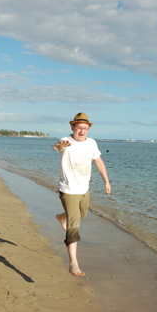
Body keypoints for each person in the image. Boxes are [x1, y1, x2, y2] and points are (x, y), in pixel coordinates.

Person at [53, 112, 111, 276]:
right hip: (68, 190)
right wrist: (60, 146)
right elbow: (58, 146)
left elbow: (98, 161)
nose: (82, 131)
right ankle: (73, 263)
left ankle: (61, 217)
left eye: (85, 128)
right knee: (74, 224)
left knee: (82, 214)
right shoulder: (66, 141)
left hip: (83, 189)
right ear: (72, 127)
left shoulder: (92, 143)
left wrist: (106, 181)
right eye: (79, 128)